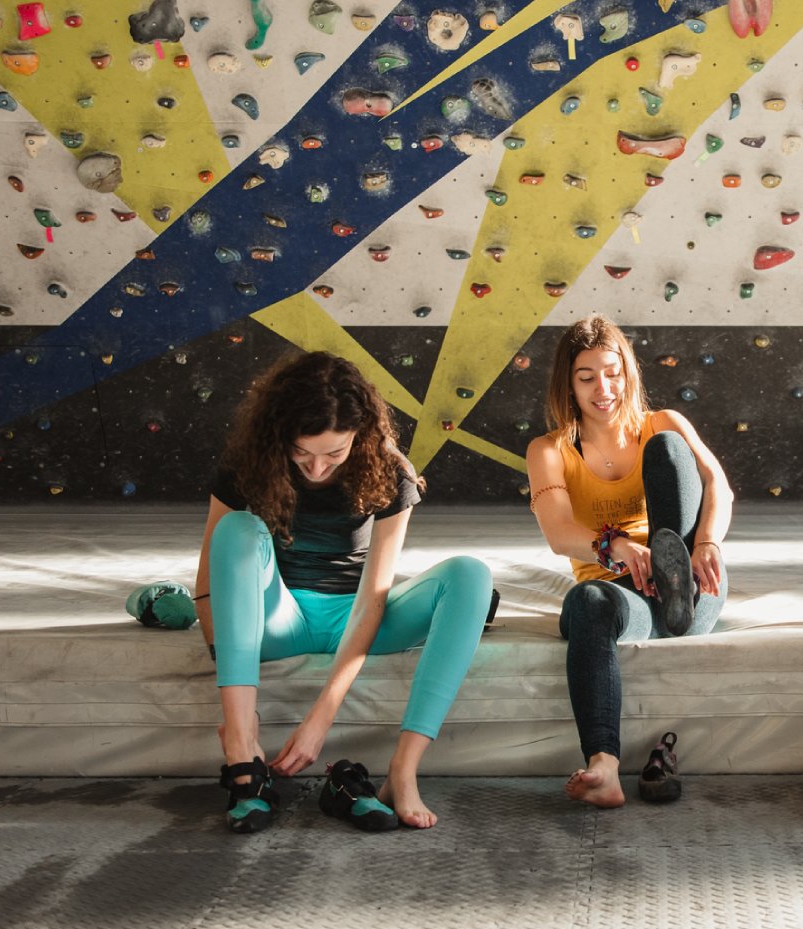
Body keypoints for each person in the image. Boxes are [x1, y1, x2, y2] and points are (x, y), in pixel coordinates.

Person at [194, 351, 493, 832]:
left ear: (360, 434)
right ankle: (241, 751)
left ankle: (403, 770)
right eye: (302, 453)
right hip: (277, 617)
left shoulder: (391, 471)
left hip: (357, 617)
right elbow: (208, 584)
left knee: (471, 575)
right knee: (237, 530)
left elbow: (373, 600)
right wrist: (226, 666)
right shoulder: (248, 463)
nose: (317, 468)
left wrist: (321, 717)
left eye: (334, 454)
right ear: (279, 435)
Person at [525, 315, 734, 808]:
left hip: (694, 583)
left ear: (628, 374)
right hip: (624, 592)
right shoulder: (549, 450)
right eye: (587, 377)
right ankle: (604, 767)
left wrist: (707, 542)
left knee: (666, 449)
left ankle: (675, 580)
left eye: (613, 373)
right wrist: (615, 545)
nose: (604, 389)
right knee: (588, 601)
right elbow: (558, 533)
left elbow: (718, 485)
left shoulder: (661, 422)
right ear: (568, 384)